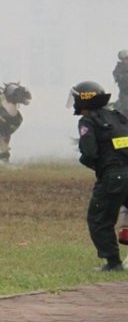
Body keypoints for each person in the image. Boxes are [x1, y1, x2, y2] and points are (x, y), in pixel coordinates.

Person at [72, 80, 128, 271]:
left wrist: (100, 167)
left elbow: (89, 153)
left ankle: (113, 263)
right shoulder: (116, 116)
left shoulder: (87, 122)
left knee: (99, 218)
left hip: (113, 178)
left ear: (83, 100)